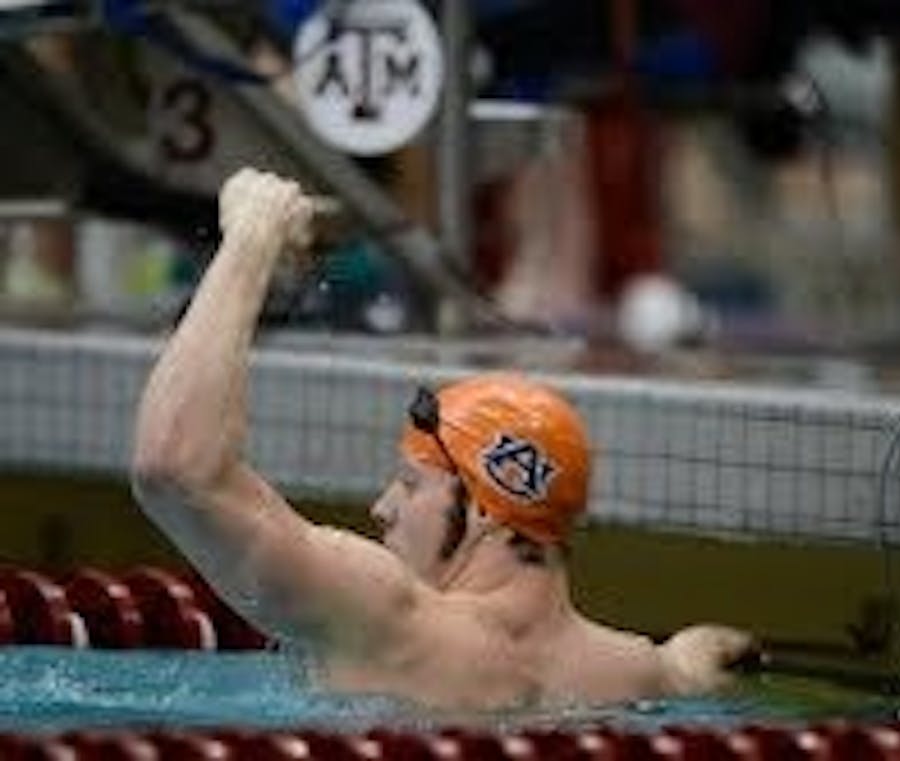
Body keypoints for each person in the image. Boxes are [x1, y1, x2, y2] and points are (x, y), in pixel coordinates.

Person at [132, 167, 756, 710]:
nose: (383, 507)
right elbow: (692, 666)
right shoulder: (632, 672)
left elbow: (174, 468)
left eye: (411, 483)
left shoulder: (384, 621)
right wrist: (691, 656)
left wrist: (250, 238)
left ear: (486, 509)